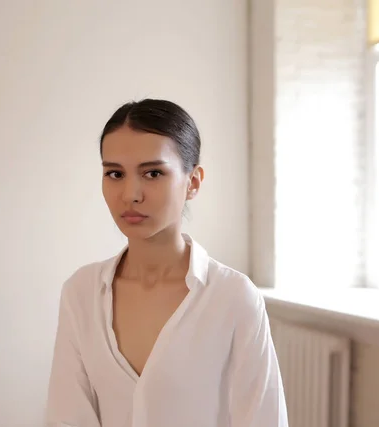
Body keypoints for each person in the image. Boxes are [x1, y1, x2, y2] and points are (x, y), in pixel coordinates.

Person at [45, 99, 288, 427]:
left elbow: (262, 420)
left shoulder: (233, 297)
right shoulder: (81, 292)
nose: (130, 193)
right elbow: (66, 417)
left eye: (153, 173)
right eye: (115, 173)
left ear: (193, 182)